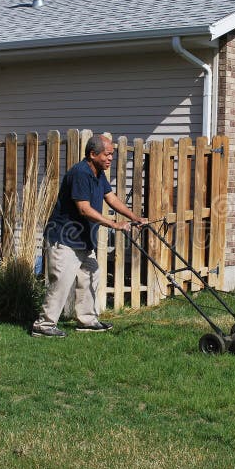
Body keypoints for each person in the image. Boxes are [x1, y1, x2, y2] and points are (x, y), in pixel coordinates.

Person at [31, 134, 147, 338]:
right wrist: (114, 224)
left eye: (112, 154)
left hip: (82, 239)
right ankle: (44, 324)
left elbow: (110, 198)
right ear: (93, 154)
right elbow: (84, 209)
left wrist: (134, 217)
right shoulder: (81, 173)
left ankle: (87, 320)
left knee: (91, 274)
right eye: (107, 154)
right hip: (64, 238)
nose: (111, 158)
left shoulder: (98, 173)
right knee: (61, 282)